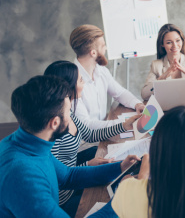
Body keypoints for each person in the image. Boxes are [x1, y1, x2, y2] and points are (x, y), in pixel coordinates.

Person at [0, 75, 140, 217]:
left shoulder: (32, 140)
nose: (71, 116)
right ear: (54, 123)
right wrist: (123, 198)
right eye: (68, 112)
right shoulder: (22, 176)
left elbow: (68, 176)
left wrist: (120, 167)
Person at [44, 60, 140, 216]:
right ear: (68, 88)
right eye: (81, 80)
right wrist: (87, 164)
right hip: (65, 198)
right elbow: (61, 177)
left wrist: (123, 126)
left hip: (73, 175)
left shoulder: (69, 111)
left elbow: (89, 134)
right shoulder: (54, 130)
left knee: (111, 169)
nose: (84, 84)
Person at [70, 24, 145, 129]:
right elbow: (86, 126)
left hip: (105, 131)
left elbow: (120, 93)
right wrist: (123, 124)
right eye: (103, 45)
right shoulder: (72, 81)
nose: (106, 48)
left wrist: (137, 104)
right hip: (86, 143)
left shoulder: (101, 70)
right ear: (93, 53)